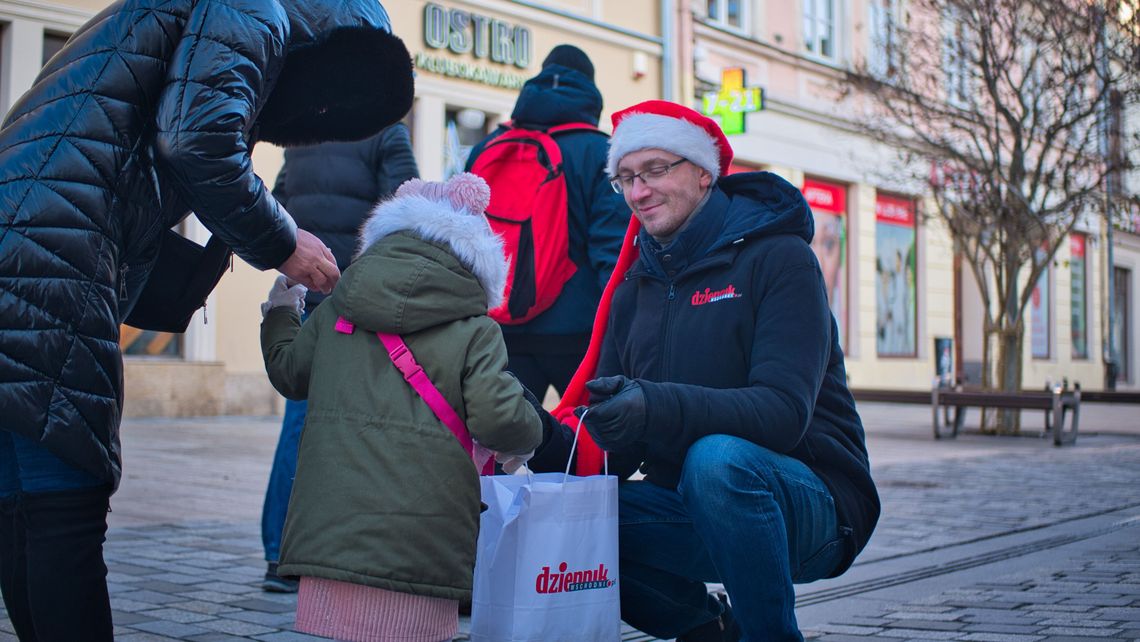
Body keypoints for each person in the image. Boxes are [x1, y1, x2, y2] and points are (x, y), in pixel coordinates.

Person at [0, 2, 414, 640]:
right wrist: (284, 243)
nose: (319, 117)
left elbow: (141, 143)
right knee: (65, 503)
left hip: (27, 231)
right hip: (52, 245)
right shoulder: (254, 7)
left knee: (22, 495)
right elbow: (197, 140)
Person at [525, 101, 881, 641]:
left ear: (702, 172)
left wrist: (655, 405)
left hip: (815, 503)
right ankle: (708, 628)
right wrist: (533, 429)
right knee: (566, 519)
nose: (638, 191)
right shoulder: (632, 292)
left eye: (655, 170)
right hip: (693, 504)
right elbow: (614, 457)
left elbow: (784, 413)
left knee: (716, 459)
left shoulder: (779, 260)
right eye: (625, 178)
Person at [260, 173, 542, 642]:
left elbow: (289, 373)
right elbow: (500, 417)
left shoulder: (336, 310)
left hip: (332, 535)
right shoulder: (475, 329)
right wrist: (531, 431)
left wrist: (283, 310)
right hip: (421, 541)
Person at [260, 122, 420, 592]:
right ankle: (360, 551)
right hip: (360, 301)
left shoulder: (304, 134)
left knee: (300, 422)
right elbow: (406, 213)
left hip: (311, 297)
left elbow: (277, 206)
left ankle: (279, 553)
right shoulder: (385, 131)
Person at [465, 44, 628, 400]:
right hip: (577, 329)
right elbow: (612, 250)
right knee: (590, 436)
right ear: (589, 89)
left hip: (502, 325)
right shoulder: (602, 152)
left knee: (509, 444)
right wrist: (620, 328)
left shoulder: (489, 146)